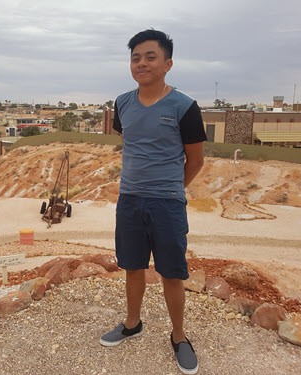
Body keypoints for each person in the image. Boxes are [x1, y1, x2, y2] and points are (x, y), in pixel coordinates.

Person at [99, 29, 207, 375]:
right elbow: (130, 142)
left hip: (167, 203)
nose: (141, 63)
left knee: (172, 273)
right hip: (129, 199)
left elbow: (196, 160)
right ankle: (133, 323)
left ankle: (179, 336)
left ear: (167, 63)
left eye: (150, 56)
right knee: (133, 266)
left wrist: (173, 188)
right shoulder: (123, 103)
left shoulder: (185, 107)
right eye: (135, 57)